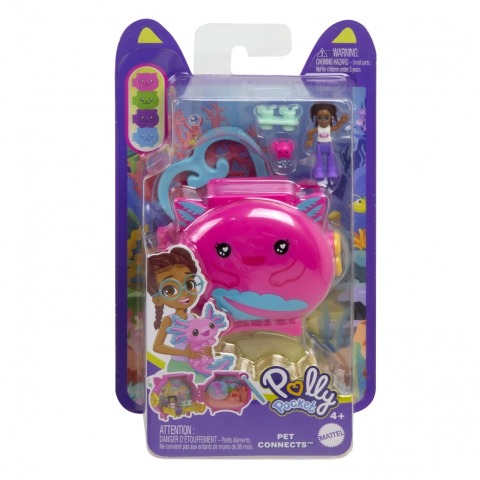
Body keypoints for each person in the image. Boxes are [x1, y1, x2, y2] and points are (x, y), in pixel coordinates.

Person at [306, 103, 348, 179]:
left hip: (329, 145)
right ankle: (319, 170)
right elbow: (310, 132)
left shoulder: (329, 128)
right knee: (319, 159)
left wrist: (342, 121)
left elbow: (336, 127)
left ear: (331, 117)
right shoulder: (318, 128)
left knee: (331, 158)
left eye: (326, 118)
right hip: (319, 145)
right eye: (319, 118)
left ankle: (332, 170)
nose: (323, 120)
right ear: (316, 117)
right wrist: (310, 140)